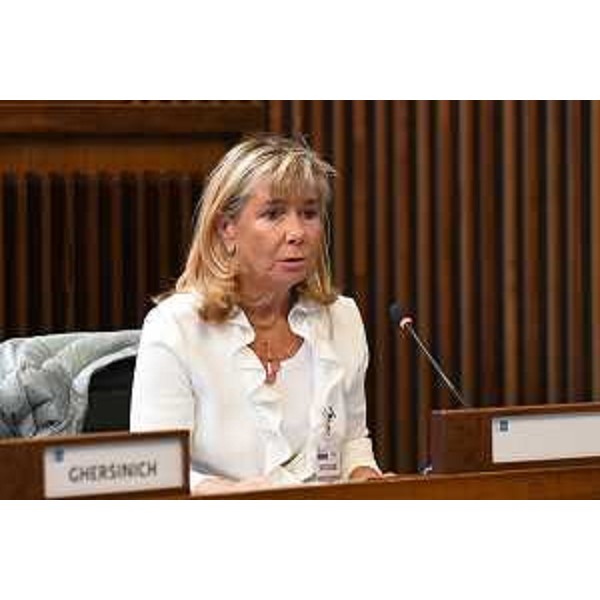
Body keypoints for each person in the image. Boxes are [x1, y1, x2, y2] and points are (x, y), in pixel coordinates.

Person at [130, 134, 382, 495]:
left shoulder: (342, 318)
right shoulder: (175, 327)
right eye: (273, 214)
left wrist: (369, 481)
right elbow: (154, 469)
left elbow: (352, 441)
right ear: (226, 229)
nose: (297, 233)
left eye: (309, 213)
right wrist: (223, 493)